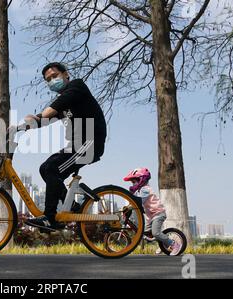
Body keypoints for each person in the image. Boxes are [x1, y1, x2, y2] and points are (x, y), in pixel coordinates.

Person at [22, 62, 107, 232]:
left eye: (54, 76)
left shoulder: (77, 87)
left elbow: (51, 110)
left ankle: (50, 218)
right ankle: (74, 207)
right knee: (45, 168)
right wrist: (19, 128)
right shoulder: (65, 105)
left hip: (89, 144)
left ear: (66, 74)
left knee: (52, 168)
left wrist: (37, 116)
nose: (52, 80)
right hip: (77, 146)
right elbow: (46, 120)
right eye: (48, 79)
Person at [123, 168, 182, 256]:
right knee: (145, 231)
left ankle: (174, 244)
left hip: (158, 214)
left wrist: (130, 207)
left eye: (134, 181)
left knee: (156, 233)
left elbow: (140, 201)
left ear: (141, 180)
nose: (133, 184)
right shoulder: (139, 191)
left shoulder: (145, 189)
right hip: (151, 216)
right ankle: (163, 243)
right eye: (132, 183)